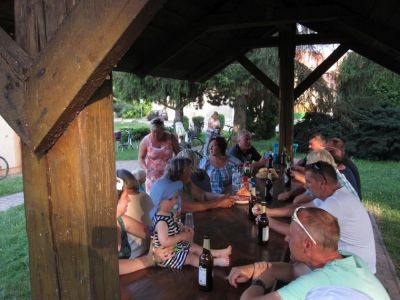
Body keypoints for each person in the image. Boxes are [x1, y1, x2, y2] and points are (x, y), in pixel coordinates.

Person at [227, 207, 389, 300]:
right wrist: (254, 267)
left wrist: (259, 282)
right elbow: (291, 270)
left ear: (307, 245)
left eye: (291, 234)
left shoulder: (320, 281)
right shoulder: (344, 259)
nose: (286, 238)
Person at [253, 161, 376, 273]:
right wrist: (268, 211)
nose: (306, 186)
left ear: (322, 182)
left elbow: (299, 232)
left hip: (356, 271)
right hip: (346, 260)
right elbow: (299, 209)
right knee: (293, 264)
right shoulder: (334, 195)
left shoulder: (335, 203)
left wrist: (266, 220)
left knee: (292, 266)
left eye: (309, 182)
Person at [151, 178, 231, 269]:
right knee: (191, 258)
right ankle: (215, 262)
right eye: (170, 199)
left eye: (176, 197)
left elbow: (172, 227)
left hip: (174, 248)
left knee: (194, 247)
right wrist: (181, 236)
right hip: (167, 255)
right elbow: (165, 241)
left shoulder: (168, 213)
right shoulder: (161, 221)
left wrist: (182, 228)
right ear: (158, 202)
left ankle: (217, 253)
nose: (174, 201)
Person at [115, 176, 173, 275]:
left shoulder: (121, 220)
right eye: (125, 197)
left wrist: (169, 228)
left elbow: (149, 232)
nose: (129, 200)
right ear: (115, 201)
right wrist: (150, 259)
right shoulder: (103, 229)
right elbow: (113, 266)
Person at [151, 156, 235, 216]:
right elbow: (185, 207)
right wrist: (218, 203)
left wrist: (222, 196)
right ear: (179, 172)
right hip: (161, 230)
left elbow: (202, 195)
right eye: (188, 170)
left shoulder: (183, 180)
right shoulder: (167, 186)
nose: (191, 172)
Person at [117, 169, 153, 258]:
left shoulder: (121, 218)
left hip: (137, 256)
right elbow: (150, 233)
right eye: (126, 197)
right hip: (141, 254)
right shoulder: (145, 196)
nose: (129, 200)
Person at [278, 133, 326, 201]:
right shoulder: (314, 155)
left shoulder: (324, 158)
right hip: (311, 187)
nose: (309, 146)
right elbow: (308, 170)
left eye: (311, 144)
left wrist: (298, 176)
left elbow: (317, 182)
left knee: (296, 200)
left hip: (323, 196)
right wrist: (289, 194)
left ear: (321, 145)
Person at [138, 117, 180, 192]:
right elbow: (141, 158)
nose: (155, 135)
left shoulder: (171, 138)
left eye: (158, 132)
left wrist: (175, 168)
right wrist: (146, 169)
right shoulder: (146, 140)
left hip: (169, 175)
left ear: (163, 130)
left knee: (168, 198)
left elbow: (179, 155)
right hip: (152, 177)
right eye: (153, 132)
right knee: (153, 200)